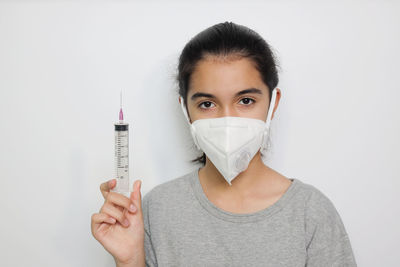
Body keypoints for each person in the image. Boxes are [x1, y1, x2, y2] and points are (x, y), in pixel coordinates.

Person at [91, 21, 357, 267]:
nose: (227, 120)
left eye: (245, 101)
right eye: (207, 104)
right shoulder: (156, 211)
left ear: (273, 103)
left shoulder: (310, 214)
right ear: (186, 110)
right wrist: (130, 261)